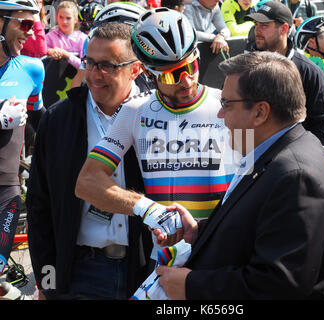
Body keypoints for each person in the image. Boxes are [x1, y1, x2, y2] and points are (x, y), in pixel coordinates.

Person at [155, 51, 324, 300]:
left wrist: (191, 286)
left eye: (226, 104)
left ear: (260, 112)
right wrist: (198, 232)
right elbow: (257, 229)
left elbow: (278, 286)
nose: (220, 115)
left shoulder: (296, 176)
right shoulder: (278, 153)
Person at [75, 8, 238, 265]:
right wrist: (146, 208)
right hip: (165, 261)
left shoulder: (229, 104)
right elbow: (86, 182)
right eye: (174, 74)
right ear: (149, 73)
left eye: (191, 66)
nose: (187, 81)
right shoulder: (134, 111)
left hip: (222, 254)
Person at [26, 22, 153, 300]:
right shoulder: (59, 119)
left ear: (136, 69)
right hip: (81, 272)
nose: (95, 74)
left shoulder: (155, 118)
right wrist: (48, 283)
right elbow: (39, 205)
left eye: (107, 65)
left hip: (145, 271)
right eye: (91, 63)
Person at [244, 1, 324, 184]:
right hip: (254, 165)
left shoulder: (309, 72)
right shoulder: (244, 67)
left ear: (283, 28)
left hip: (296, 169)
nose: (257, 30)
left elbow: (322, 126)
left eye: (264, 25)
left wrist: (313, 165)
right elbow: (236, 117)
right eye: (256, 25)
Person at [0, 0, 45, 300]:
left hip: (6, 191)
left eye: (35, 25)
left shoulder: (32, 69)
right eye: (24, 24)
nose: (30, 33)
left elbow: (44, 124)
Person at [46, 1, 87, 70]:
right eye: (61, 17)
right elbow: (40, 52)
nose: (64, 21)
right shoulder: (50, 36)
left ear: (76, 19)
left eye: (68, 18)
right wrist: (49, 51)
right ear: (56, 17)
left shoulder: (83, 39)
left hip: (76, 79)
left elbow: (85, 66)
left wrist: (66, 54)